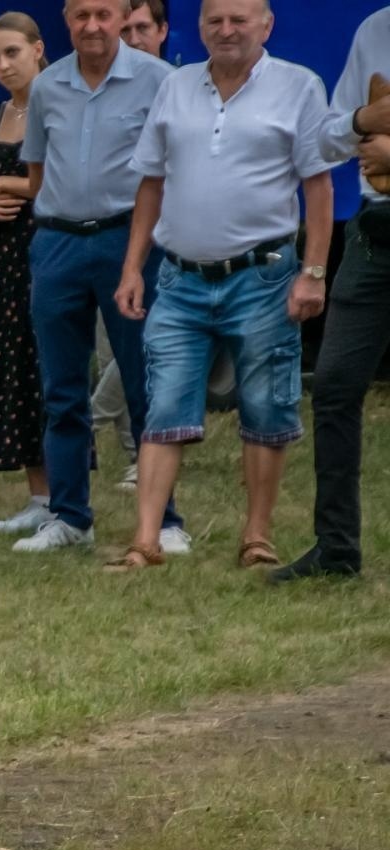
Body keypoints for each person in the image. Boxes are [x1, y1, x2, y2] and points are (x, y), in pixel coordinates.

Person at [107, 0, 331, 571]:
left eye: (239, 20)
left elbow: (318, 186)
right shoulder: (176, 86)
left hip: (262, 276)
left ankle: (256, 537)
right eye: (215, 21)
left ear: (266, 25)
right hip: (179, 277)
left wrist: (313, 271)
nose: (226, 30)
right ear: (199, 26)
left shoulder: (298, 87)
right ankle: (146, 542)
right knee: (164, 405)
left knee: (265, 407)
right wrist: (134, 267)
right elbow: (151, 184)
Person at [14, 0, 188, 553]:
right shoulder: (47, 86)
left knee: (146, 383)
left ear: (122, 17)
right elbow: (37, 171)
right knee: (62, 388)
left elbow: (170, 172)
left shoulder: (159, 81)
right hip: (58, 241)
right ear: (66, 18)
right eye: (81, 14)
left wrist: (139, 253)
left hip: (128, 241)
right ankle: (69, 517)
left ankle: (163, 521)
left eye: (104, 14)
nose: (92, 25)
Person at [272, 4, 390, 582]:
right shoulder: (374, 30)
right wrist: (367, 116)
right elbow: (325, 140)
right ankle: (336, 549)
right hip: (374, 236)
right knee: (336, 387)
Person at [0, 13, 51, 534]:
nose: (3, 65)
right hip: (4, 261)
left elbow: (59, 179)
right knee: (12, 374)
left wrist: (2, 189)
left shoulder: (59, 104)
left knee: (49, 374)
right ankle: (38, 496)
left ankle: (67, 494)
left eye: (12, 53)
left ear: (38, 49)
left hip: (48, 252)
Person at [92, 0, 172, 491]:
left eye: (144, 27)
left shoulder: (173, 85)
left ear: (163, 31)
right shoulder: (103, 86)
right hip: (111, 228)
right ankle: (134, 454)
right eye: (129, 28)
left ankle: (95, 419)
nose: (135, 36)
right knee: (111, 348)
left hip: (166, 235)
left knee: (143, 347)